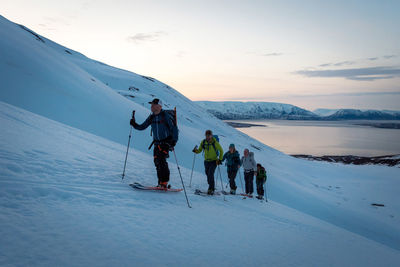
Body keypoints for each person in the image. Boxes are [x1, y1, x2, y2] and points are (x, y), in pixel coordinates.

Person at [130, 98, 176, 188]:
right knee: (157, 162)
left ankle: (164, 183)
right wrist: (134, 124)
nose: (151, 106)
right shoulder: (151, 117)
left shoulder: (165, 116)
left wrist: (173, 142)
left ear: (159, 106)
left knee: (161, 161)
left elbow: (174, 129)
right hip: (156, 144)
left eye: (154, 105)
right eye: (151, 105)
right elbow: (142, 126)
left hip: (165, 143)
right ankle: (160, 183)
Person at [193, 130, 224, 195]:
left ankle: (211, 189)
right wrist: (196, 151)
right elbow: (200, 150)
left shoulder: (215, 142)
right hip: (206, 161)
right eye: (207, 135)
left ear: (211, 135)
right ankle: (211, 185)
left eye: (209, 135)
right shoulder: (203, 142)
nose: (208, 137)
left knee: (210, 174)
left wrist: (220, 159)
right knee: (207, 174)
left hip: (214, 161)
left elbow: (221, 151)